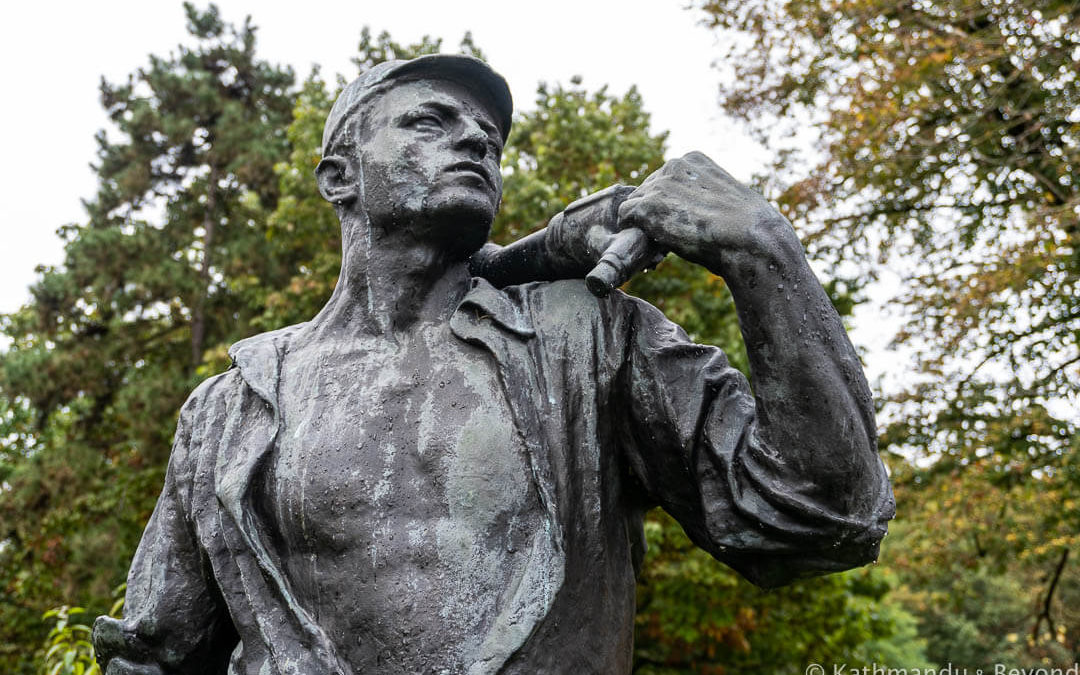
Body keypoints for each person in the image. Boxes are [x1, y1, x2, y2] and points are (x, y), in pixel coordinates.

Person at [93, 54, 894, 675]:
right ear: (340, 175)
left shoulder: (586, 340)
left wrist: (763, 253)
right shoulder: (231, 408)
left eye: (489, 138)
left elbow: (822, 515)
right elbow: (157, 651)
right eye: (430, 122)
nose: (476, 139)